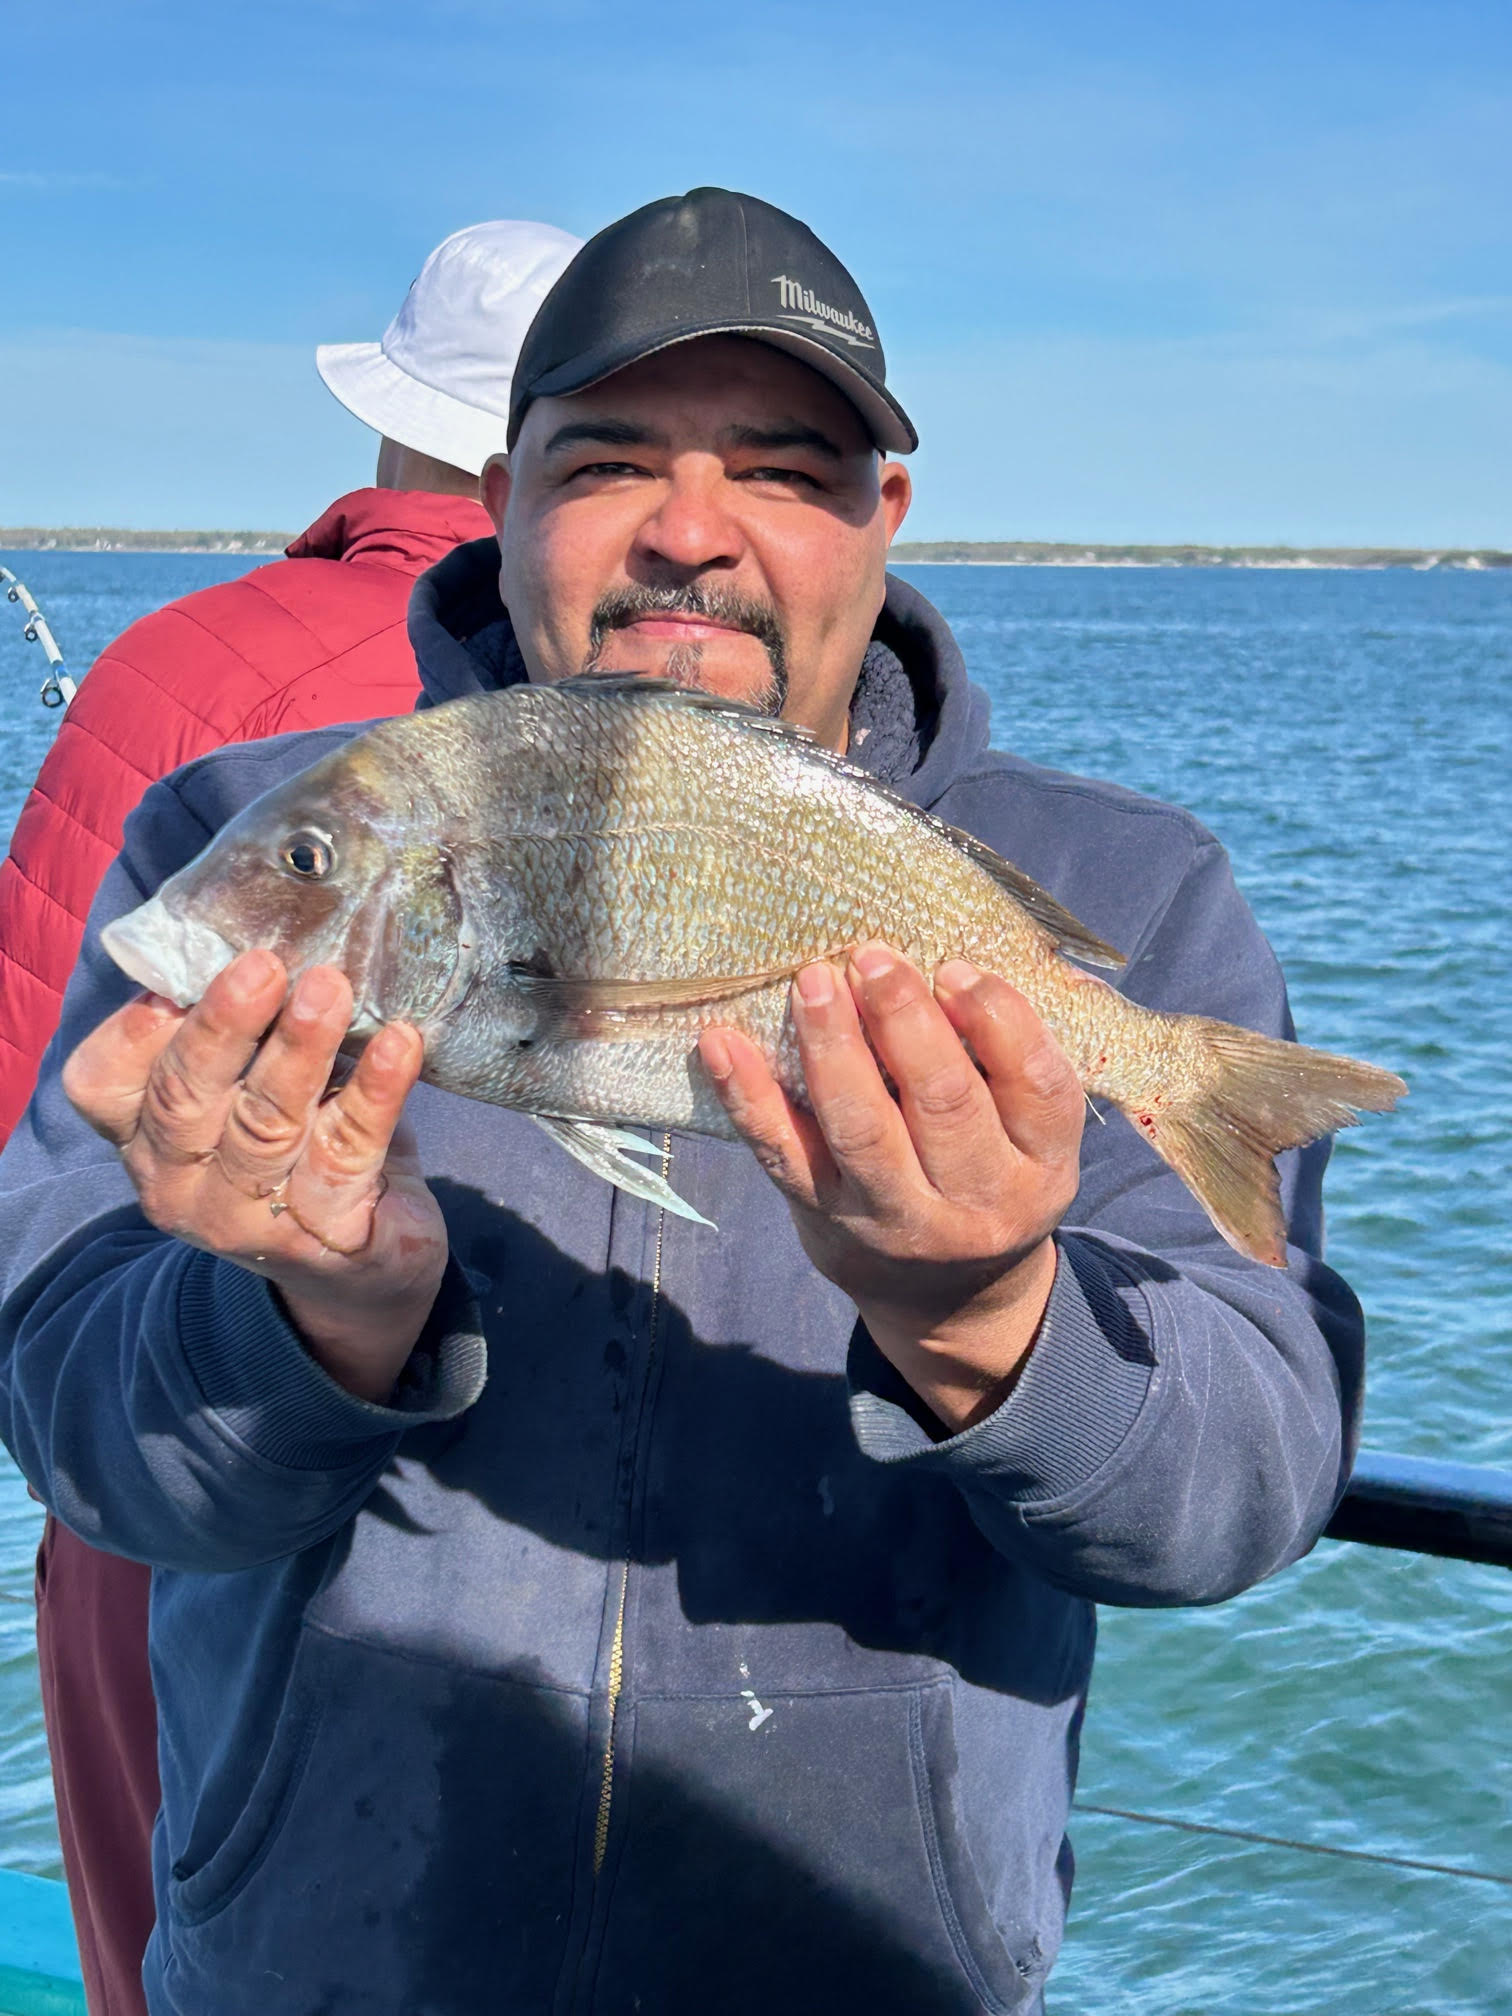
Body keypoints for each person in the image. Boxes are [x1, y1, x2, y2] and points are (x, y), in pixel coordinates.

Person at [0, 189, 1366, 2015]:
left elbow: (1236, 1500)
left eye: (787, 473)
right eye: (610, 459)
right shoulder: (229, 832)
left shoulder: (1129, 893)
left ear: (885, 517)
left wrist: (986, 1318)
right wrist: (307, 1320)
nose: (691, 536)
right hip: (318, 1962)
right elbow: (83, 1435)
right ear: (504, 494)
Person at [0, 214, 581, 2016]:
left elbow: (35, 1121)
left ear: (393, 416)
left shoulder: (174, 670)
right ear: (533, 459)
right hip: (546, 1524)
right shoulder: (590, 717)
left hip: (157, 1457)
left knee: (173, 1959)